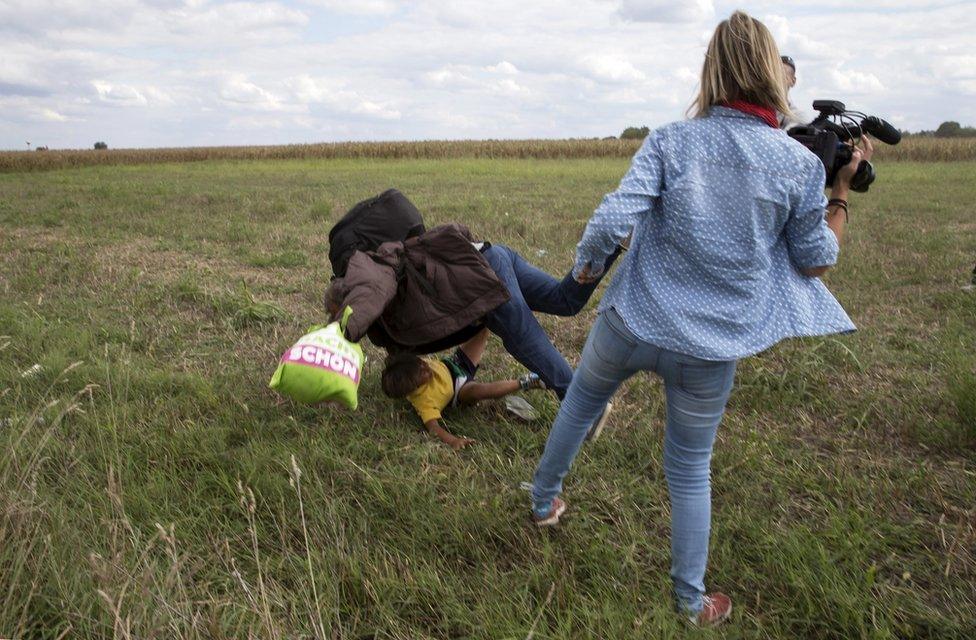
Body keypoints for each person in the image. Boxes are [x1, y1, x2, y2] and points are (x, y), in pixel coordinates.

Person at [527, 10, 872, 627]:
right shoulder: (798, 166)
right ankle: (691, 602)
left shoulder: (670, 140)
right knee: (688, 467)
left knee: (579, 405)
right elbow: (816, 261)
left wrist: (583, 273)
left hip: (631, 321)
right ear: (774, 76)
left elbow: (610, 221)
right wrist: (838, 190)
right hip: (711, 349)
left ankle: (542, 501)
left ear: (711, 70)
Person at [380, 328, 546, 450]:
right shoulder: (424, 402)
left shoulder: (411, 366)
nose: (425, 365)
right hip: (460, 390)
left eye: (420, 362)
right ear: (414, 387)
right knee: (479, 391)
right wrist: (453, 441)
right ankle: (527, 382)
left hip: (455, 364)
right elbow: (434, 428)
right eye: (422, 372)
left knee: (481, 330)